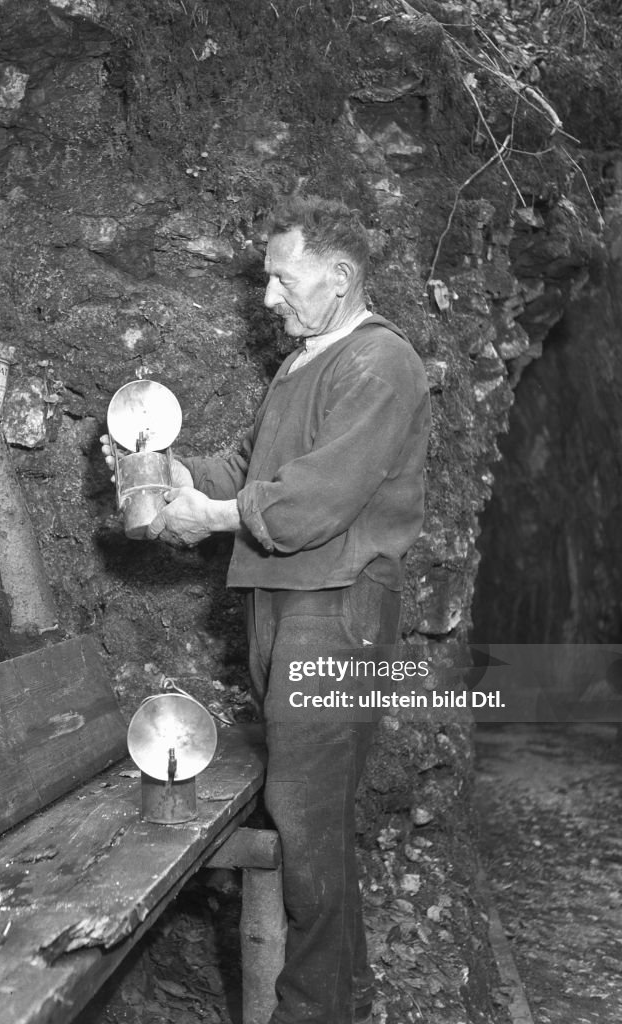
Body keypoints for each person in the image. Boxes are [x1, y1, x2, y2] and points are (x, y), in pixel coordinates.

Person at [105, 195, 431, 1024]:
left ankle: (312, 1013)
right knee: (305, 818)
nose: (267, 298)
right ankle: (336, 1004)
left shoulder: (379, 363)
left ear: (340, 276)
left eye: (281, 279)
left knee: (306, 816)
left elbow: (312, 500)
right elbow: (251, 466)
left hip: (338, 605)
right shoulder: (303, 364)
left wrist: (211, 516)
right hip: (285, 603)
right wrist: (181, 478)